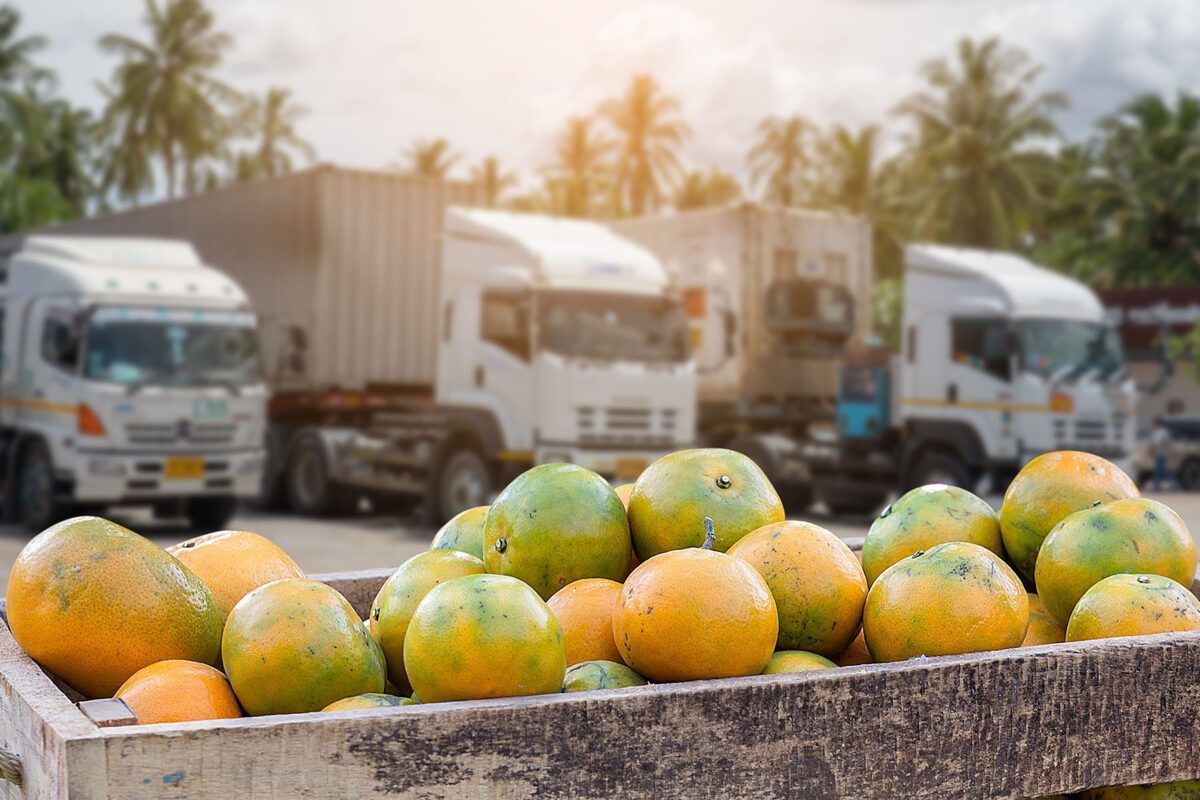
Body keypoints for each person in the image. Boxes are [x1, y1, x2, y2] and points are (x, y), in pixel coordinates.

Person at [1151, 417, 1175, 492]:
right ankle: (1175, 484)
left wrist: (1151, 452)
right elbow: (1169, 443)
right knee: (1163, 472)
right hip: (1163, 454)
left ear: (1157, 424)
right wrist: (1172, 452)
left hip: (1159, 455)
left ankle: (1156, 487)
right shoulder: (1164, 432)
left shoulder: (1159, 432)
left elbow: (1156, 444)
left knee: (1159, 472)